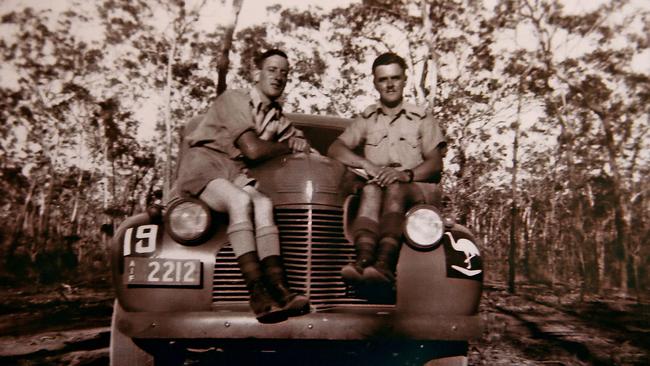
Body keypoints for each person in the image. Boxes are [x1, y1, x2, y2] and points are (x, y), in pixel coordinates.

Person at [175, 49, 310, 323]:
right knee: (240, 201)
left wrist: (302, 144)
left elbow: (305, 147)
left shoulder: (278, 118)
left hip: (232, 171)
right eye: (272, 69)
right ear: (256, 74)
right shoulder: (234, 99)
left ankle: (280, 288)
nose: (279, 76)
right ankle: (257, 294)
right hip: (204, 164)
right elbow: (253, 150)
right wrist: (287, 145)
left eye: (284, 72)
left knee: (263, 203)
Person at [327, 52, 446, 290]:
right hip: (380, 188)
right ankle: (363, 261)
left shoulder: (421, 118)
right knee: (370, 190)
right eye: (383, 79)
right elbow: (335, 148)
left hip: (416, 190)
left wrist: (406, 174)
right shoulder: (368, 118)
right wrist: (366, 164)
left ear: (404, 80)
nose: (390, 84)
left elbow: (435, 163)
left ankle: (385, 264)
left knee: (394, 189)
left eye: (395, 78)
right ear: (375, 82)